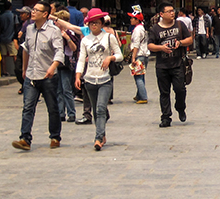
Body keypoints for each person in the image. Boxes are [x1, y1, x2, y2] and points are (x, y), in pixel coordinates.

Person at [12, 1, 65, 151]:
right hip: (31, 75)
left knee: (52, 107)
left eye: (36, 10)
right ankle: (25, 138)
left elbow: (59, 52)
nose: (33, 12)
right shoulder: (29, 29)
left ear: (45, 14)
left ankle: (55, 136)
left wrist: (53, 67)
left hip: (47, 76)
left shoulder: (53, 31)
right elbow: (26, 49)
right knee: (28, 107)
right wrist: (24, 68)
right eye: (33, 10)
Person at [74, 8, 123, 150]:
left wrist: (110, 57)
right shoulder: (85, 41)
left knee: (101, 108)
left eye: (96, 22)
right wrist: (78, 76)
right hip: (89, 79)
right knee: (96, 110)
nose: (94, 25)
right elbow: (81, 59)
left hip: (105, 79)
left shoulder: (109, 37)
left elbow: (120, 55)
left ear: (102, 23)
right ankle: (102, 134)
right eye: (91, 23)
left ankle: (98, 138)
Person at [147, 3, 193, 127]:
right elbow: (150, 45)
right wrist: (161, 48)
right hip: (162, 66)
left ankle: (180, 107)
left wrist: (180, 42)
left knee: (180, 89)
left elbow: (190, 39)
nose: (172, 13)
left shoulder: (179, 25)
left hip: (178, 64)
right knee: (164, 92)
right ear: (161, 14)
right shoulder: (155, 29)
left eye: (173, 11)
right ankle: (166, 117)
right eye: (169, 11)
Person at [53, 10, 80, 123]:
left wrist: (67, 38)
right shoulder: (54, 33)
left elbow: (74, 48)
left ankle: (71, 113)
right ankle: (60, 113)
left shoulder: (69, 33)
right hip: (56, 62)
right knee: (58, 89)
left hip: (66, 63)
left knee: (66, 89)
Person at [129, 9, 149, 104]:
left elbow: (136, 45)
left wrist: (133, 57)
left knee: (138, 77)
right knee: (141, 75)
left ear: (137, 20)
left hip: (139, 55)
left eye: (132, 18)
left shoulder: (137, 30)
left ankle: (143, 96)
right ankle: (139, 95)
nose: (131, 20)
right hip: (144, 54)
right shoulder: (142, 28)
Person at [0, 2, 17, 77]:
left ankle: (4, 71)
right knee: (14, 55)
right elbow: (16, 26)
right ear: (10, 7)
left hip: (2, 38)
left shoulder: (1, 16)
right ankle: (16, 70)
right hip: (11, 38)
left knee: (3, 56)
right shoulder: (13, 16)